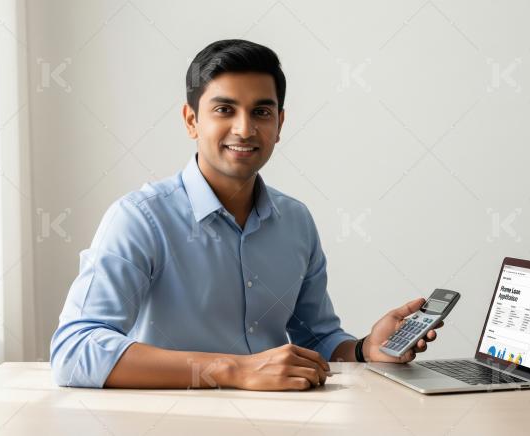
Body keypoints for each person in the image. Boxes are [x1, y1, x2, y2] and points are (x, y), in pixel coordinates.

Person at [50, 39, 442, 390]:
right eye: (224, 109)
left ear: (279, 124)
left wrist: (366, 349)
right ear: (191, 120)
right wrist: (233, 370)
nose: (244, 128)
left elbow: (315, 340)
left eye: (261, 112)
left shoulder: (296, 221)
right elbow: (74, 350)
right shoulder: (139, 219)